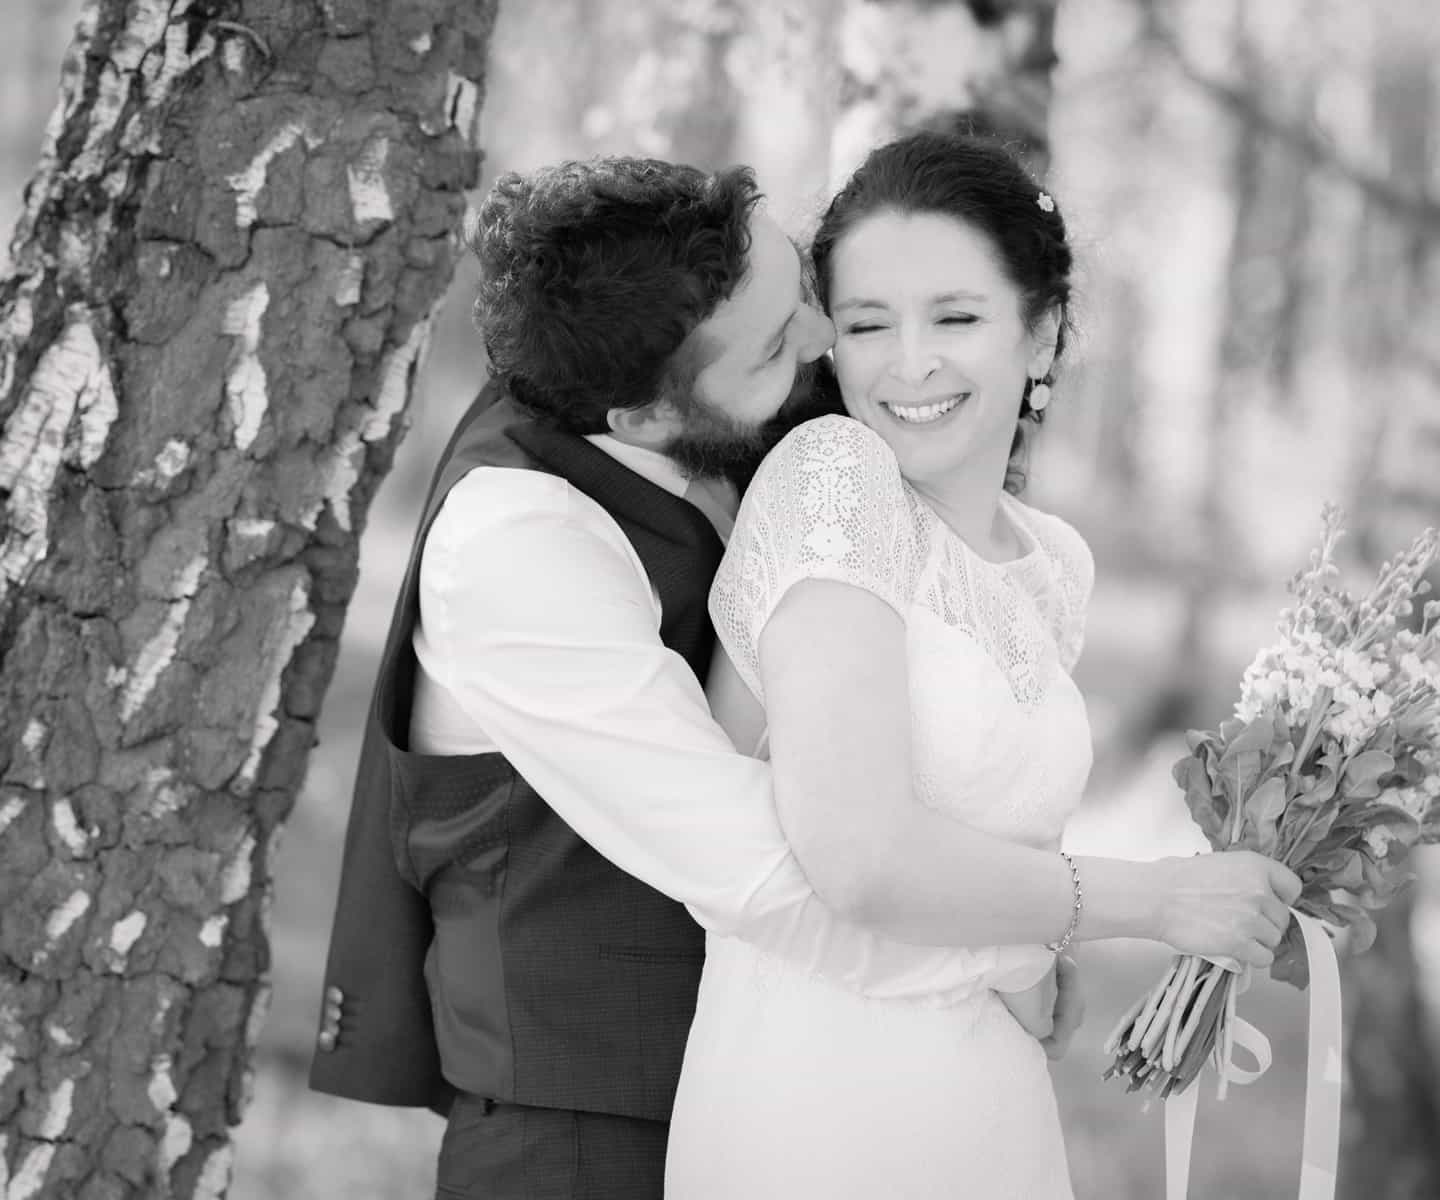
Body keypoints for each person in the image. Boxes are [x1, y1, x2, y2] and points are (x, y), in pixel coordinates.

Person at [309, 153, 1291, 1200]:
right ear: (643, 416)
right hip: (584, 1125)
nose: (829, 346)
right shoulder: (516, 542)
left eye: (804, 292)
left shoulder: (743, 406)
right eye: (788, 340)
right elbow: (775, 865)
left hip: (869, 1073)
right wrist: (1021, 947)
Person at [662, 130, 1304, 1198]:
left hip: (986, 1098)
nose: (908, 364)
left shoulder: (1051, 563)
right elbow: (855, 855)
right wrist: (1155, 901)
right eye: (868, 325)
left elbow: (1002, 858)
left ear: (1040, 333)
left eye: (955, 318)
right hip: (822, 1096)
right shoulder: (833, 476)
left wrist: (1027, 954)